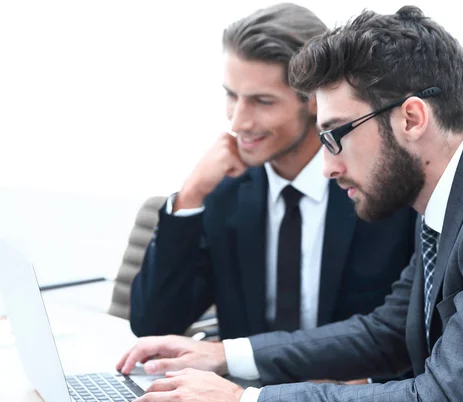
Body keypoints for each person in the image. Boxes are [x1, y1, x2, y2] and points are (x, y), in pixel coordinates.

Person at [117, 6, 463, 402]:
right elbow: (388, 332)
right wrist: (228, 355)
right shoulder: (453, 186)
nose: (326, 166)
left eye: (335, 135)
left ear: (411, 119)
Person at [128, 3, 416, 345]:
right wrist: (190, 196)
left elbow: (409, 335)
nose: (237, 122)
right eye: (231, 96)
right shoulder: (224, 193)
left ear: (315, 99)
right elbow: (154, 325)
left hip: (346, 395)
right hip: (239, 393)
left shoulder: (382, 189)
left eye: (262, 101)